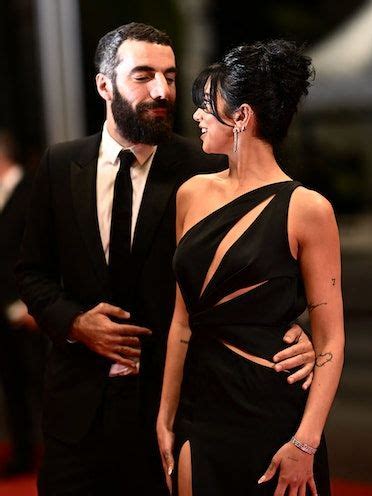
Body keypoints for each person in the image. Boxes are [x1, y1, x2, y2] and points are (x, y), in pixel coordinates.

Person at [16, 25, 315, 495]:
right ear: (103, 85)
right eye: (143, 76)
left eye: (170, 76)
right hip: (76, 416)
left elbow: (259, 265)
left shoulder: (206, 168)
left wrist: (295, 332)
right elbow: (30, 273)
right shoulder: (59, 164)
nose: (162, 90)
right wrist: (74, 323)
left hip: (177, 409)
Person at [157, 40, 344, 495]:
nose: (198, 115)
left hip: (274, 414)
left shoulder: (308, 209)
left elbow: (331, 338)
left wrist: (305, 443)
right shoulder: (191, 194)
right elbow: (182, 321)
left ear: (240, 116)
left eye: (207, 104)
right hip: (201, 412)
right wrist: (165, 417)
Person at [0, 129, 46, 476]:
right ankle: (22, 452)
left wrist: (32, 304)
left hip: (31, 309)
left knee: (42, 384)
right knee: (12, 386)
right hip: (3, 312)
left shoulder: (31, 190)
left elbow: (40, 251)